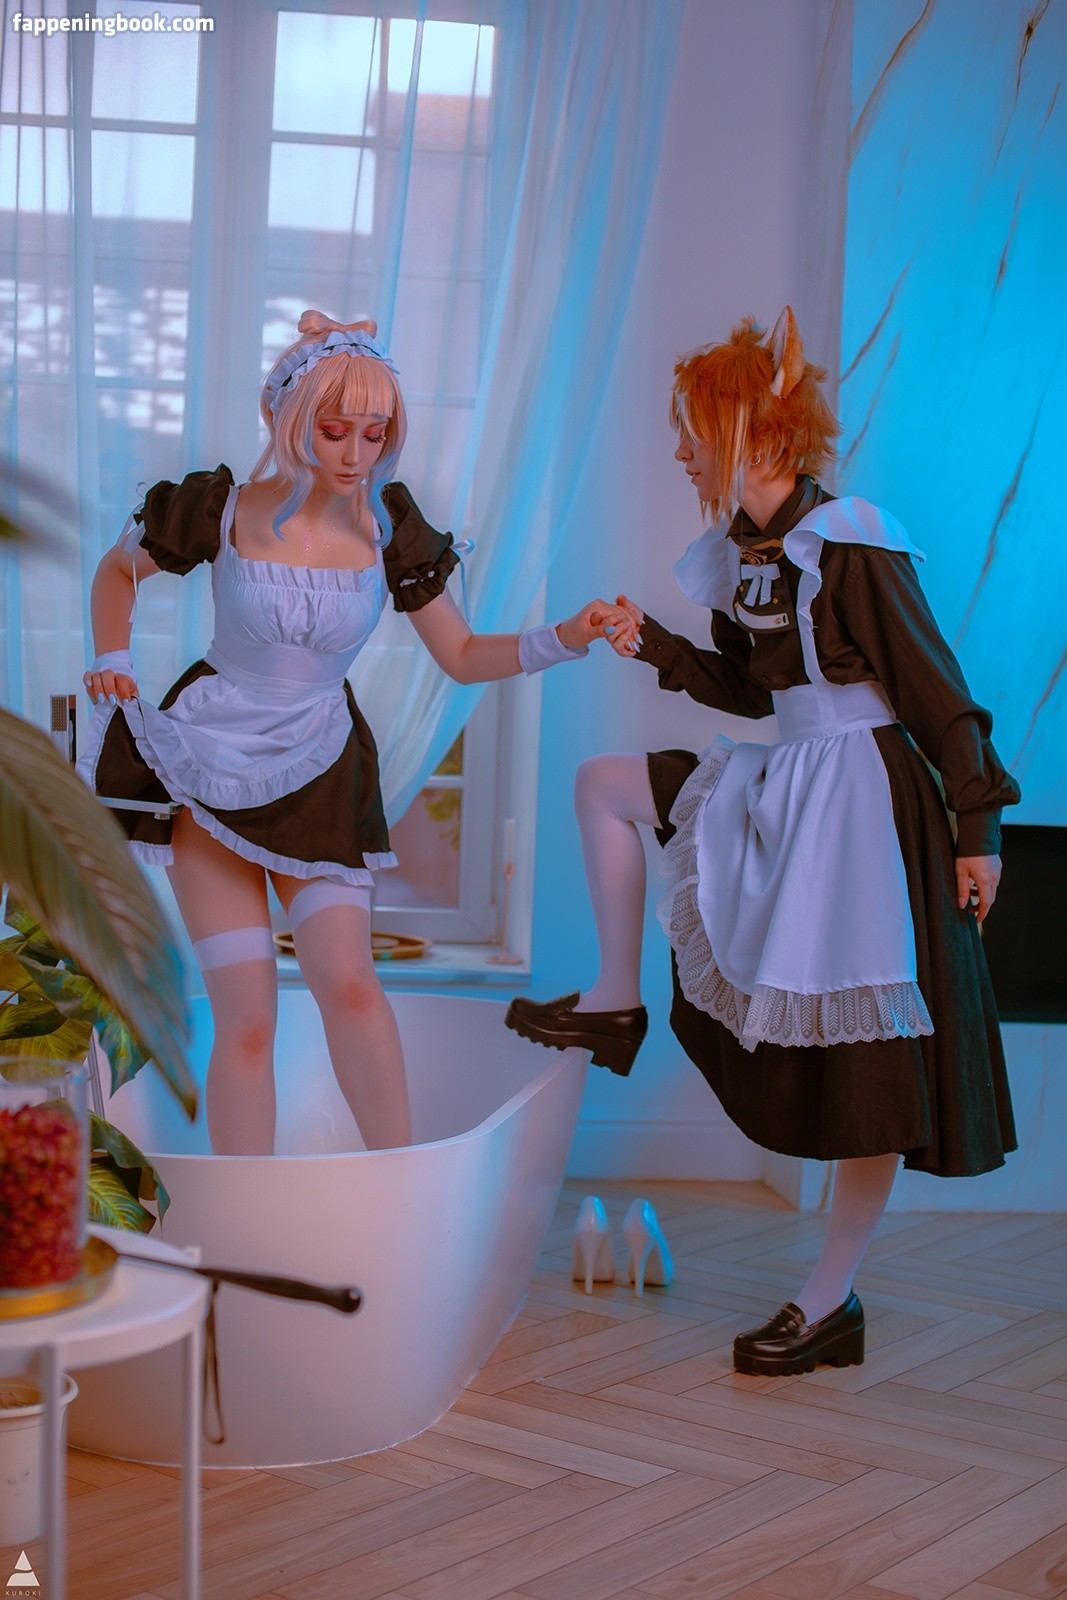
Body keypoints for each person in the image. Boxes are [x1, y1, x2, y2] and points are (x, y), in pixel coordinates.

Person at [507, 308, 1020, 1375]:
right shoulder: (742, 554)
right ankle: (613, 998)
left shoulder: (851, 542)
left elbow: (935, 688)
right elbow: (750, 691)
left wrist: (975, 824)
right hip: (793, 776)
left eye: (690, 429)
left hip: (864, 806)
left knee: (870, 1072)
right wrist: (649, 642)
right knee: (603, 783)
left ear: (750, 433)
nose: (678, 451)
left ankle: (828, 1300)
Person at [81, 310, 637, 1156]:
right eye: (334, 431)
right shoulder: (218, 508)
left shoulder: (390, 529)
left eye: (373, 434)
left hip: (320, 767)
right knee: (246, 1019)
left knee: (349, 988)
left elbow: (460, 655)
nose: (354, 455)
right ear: (285, 419)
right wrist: (112, 656)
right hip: (205, 762)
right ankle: (253, 1214)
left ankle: (400, 1185)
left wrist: (564, 636)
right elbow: (118, 570)